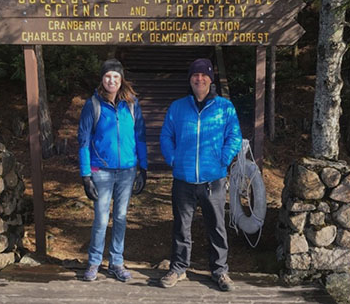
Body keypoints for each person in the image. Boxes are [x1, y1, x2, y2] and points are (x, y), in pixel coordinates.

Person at [159, 58, 242, 291]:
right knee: (181, 227)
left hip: (213, 180)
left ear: (210, 79)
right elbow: (166, 136)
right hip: (183, 179)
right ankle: (178, 268)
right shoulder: (177, 107)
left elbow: (234, 136)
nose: (199, 79)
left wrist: (223, 160)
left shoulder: (225, 107)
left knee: (216, 227)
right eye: (195, 75)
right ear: (190, 80)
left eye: (204, 75)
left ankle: (220, 271)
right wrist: (173, 159)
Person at [78, 58, 148, 282]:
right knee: (100, 218)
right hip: (102, 171)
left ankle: (116, 261)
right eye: (108, 76)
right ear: (102, 78)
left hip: (127, 171)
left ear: (121, 80)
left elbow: (140, 137)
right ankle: (94, 262)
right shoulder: (93, 104)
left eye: (116, 77)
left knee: (120, 216)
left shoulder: (131, 104)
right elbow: (83, 141)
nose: (112, 80)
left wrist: (143, 168)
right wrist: (86, 175)